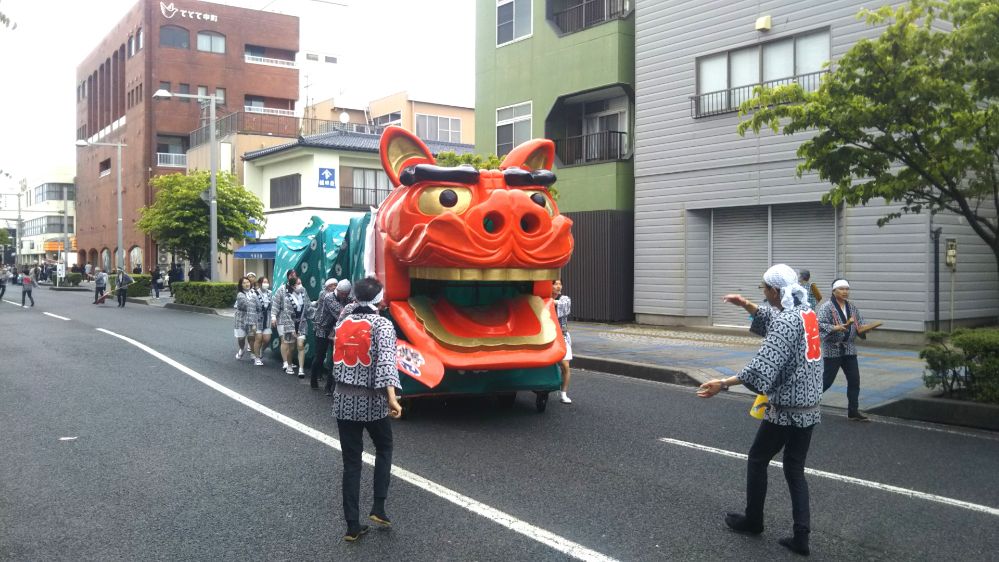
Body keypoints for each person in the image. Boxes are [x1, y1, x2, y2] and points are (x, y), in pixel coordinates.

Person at [698, 264, 823, 557]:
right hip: (810, 406)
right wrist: (746, 305)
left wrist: (723, 383)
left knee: (757, 459)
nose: (763, 294)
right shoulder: (807, 314)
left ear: (776, 291)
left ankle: (753, 520)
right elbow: (776, 320)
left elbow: (761, 367)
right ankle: (801, 536)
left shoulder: (787, 320)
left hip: (787, 407)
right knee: (795, 469)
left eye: (764, 289)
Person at [331, 276, 403, 542]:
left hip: (342, 399)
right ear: (379, 299)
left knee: (351, 463)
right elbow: (386, 364)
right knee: (384, 447)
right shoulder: (382, 324)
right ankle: (378, 507)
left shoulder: (342, 322)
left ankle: (352, 526)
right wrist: (392, 399)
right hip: (371, 401)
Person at [818, 278, 878, 422]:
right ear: (834, 291)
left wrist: (865, 329)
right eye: (842, 289)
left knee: (854, 380)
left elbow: (859, 325)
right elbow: (819, 324)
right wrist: (834, 327)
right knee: (827, 381)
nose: (845, 292)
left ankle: (853, 411)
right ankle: (807, 402)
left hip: (849, 349)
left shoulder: (852, 307)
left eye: (847, 289)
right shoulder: (826, 307)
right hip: (833, 348)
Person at [273, 272, 314, 377]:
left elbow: (309, 307)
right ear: (289, 279)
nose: (299, 285)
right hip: (285, 320)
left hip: (301, 322)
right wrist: (273, 316)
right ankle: (286, 363)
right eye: (292, 276)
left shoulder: (303, 292)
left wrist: (316, 318)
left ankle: (301, 369)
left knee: (300, 345)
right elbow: (276, 304)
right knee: (286, 343)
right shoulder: (282, 290)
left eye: (300, 282)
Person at [325, 279, 355, 396]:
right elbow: (340, 313)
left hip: (346, 333)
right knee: (332, 360)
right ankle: (328, 387)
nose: (345, 296)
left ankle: (339, 387)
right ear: (338, 290)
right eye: (343, 293)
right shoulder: (329, 297)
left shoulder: (348, 297)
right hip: (330, 331)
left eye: (346, 294)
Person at [309, 278, 339, 390]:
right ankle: (313, 378)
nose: (334, 287)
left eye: (336, 285)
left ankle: (329, 384)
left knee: (333, 356)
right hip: (321, 328)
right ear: (327, 287)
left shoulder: (337, 296)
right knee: (319, 355)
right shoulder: (325, 295)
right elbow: (337, 309)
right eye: (332, 285)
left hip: (332, 329)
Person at [553, 279, 573, 404]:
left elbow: (563, 306)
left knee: (565, 365)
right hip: (546, 337)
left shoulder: (565, 299)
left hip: (562, 336)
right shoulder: (541, 298)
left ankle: (563, 393)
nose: (558, 286)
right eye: (555, 284)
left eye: (560, 284)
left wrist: (550, 302)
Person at [233, 276, 260, 363]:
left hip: (251, 318)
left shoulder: (254, 292)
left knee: (251, 337)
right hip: (241, 318)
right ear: (241, 285)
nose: (246, 284)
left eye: (247, 282)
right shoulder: (240, 294)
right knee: (241, 338)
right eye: (244, 283)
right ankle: (241, 349)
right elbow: (247, 305)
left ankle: (253, 353)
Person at [252, 276, 273, 366]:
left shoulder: (271, 293)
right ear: (260, 284)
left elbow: (274, 306)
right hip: (257, 319)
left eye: (267, 282)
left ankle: (261, 350)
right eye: (264, 282)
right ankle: (257, 358)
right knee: (258, 338)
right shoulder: (254, 294)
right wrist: (252, 324)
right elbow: (251, 309)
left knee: (267, 339)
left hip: (267, 319)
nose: (266, 284)